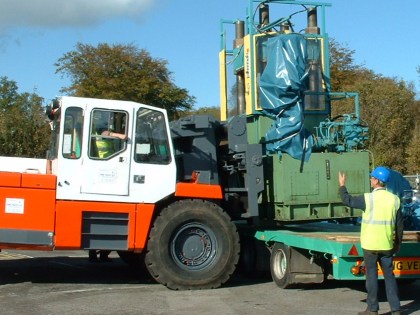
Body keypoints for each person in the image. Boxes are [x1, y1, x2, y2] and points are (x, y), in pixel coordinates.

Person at [338, 166, 403, 315]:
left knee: (372, 276)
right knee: (389, 277)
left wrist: (342, 186)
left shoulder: (368, 198)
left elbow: (347, 200)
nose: (370, 179)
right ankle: (396, 309)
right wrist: (397, 244)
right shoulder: (395, 200)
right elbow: (399, 225)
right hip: (387, 245)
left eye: (372, 178)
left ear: (376, 181)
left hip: (370, 245)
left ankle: (372, 309)